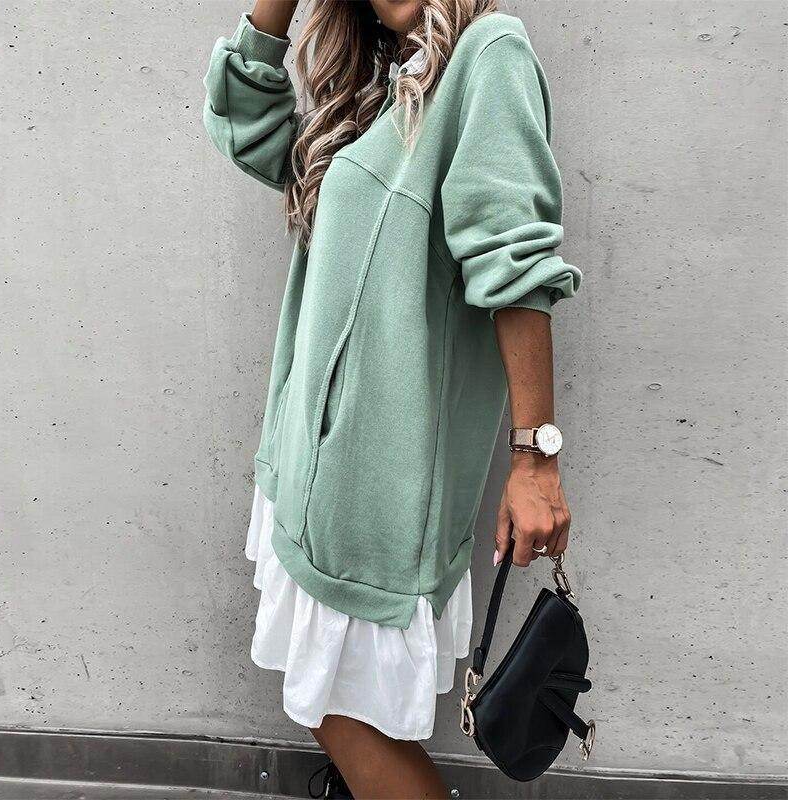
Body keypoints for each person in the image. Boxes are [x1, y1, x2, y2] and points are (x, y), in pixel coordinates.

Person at [203, 1, 581, 796]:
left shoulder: (489, 55)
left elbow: (514, 260)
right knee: (332, 710)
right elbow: (251, 128)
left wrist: (535, 459)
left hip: (376, 496)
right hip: (311, 472)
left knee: (343, 716)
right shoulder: (380, 87)